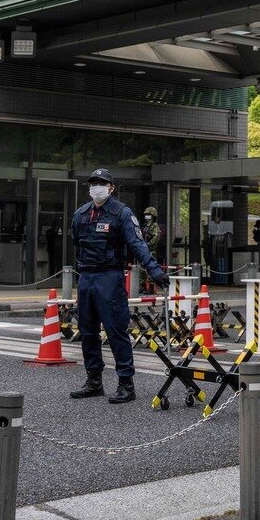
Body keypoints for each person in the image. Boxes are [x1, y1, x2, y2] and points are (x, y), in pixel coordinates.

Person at [69, 169, 168, 404]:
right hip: (86, 276)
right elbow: (76, 242)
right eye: (93, 182)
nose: (97, 187)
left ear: (111, 187)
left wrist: (154, 270)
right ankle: (93, 381)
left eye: (102, 183)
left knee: (115, 330)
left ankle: (126, 383)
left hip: (110, 277)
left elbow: (137, 244)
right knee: (88, 331)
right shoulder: (80, 214)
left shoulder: (121, 213)